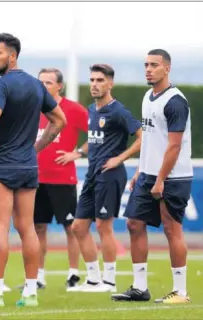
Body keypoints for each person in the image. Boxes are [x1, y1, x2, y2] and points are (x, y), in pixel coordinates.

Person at [0, 33, 67, 308]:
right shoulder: (37, 85)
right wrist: (35, 148)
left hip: (1, 164)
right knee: (27, 228)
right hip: (28, 165)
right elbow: (58, 120)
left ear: (12, 56)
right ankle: (30, 292)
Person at [112, 49, 192, 303]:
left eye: (154, 65)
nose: (148, 69)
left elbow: (174, 146)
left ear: (167, 68)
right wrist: (139, 170)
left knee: (171, 229)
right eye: (146, 64)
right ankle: (139, 287)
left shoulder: (175, 101)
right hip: (147, 174)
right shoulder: (148, 96)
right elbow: (150, 140)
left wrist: (160, 179)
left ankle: (180, 292)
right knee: (134, 223)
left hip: (172, 177)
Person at [69, 64, 142, 293]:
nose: (94, 84)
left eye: (100, 80)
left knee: (103, 226)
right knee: (79, 227)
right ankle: (93, 280)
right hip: (92, 175)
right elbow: (95, 140)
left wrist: (119, 158)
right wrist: (79, 153)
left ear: (110, 83)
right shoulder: (92, 110)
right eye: (92, 80)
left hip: (110, 175)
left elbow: (142, 137)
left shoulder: (118, 111)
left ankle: (109, 281)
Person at [31, 68, 88, 290]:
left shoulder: (73, 110)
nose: (43, 86)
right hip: (35, 179)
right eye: (40, 82)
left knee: (71, 227)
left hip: (63, 179)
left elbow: (97, 134)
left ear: (59, 86)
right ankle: (38, 276)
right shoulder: (31, 109)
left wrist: (78, 153)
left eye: (48, 82)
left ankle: (73, 274)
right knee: (37, 228)